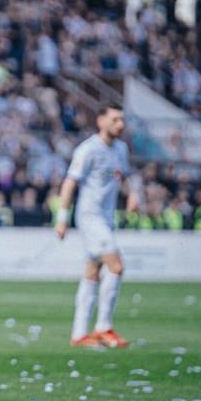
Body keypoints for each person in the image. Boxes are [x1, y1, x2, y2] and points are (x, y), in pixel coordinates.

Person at [54, 104, 137, 349]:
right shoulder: (88, 150)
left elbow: (125, 176)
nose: (120, 124)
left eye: (122, 119)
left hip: (106, 218)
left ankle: (79, 334)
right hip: (90, 217)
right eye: (115, 119)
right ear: (100, 121)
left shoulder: (121, 149)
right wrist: (61, 217)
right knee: (116, 266)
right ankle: (103, 327)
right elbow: (70, 183)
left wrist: (132, 195)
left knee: (92, 271)